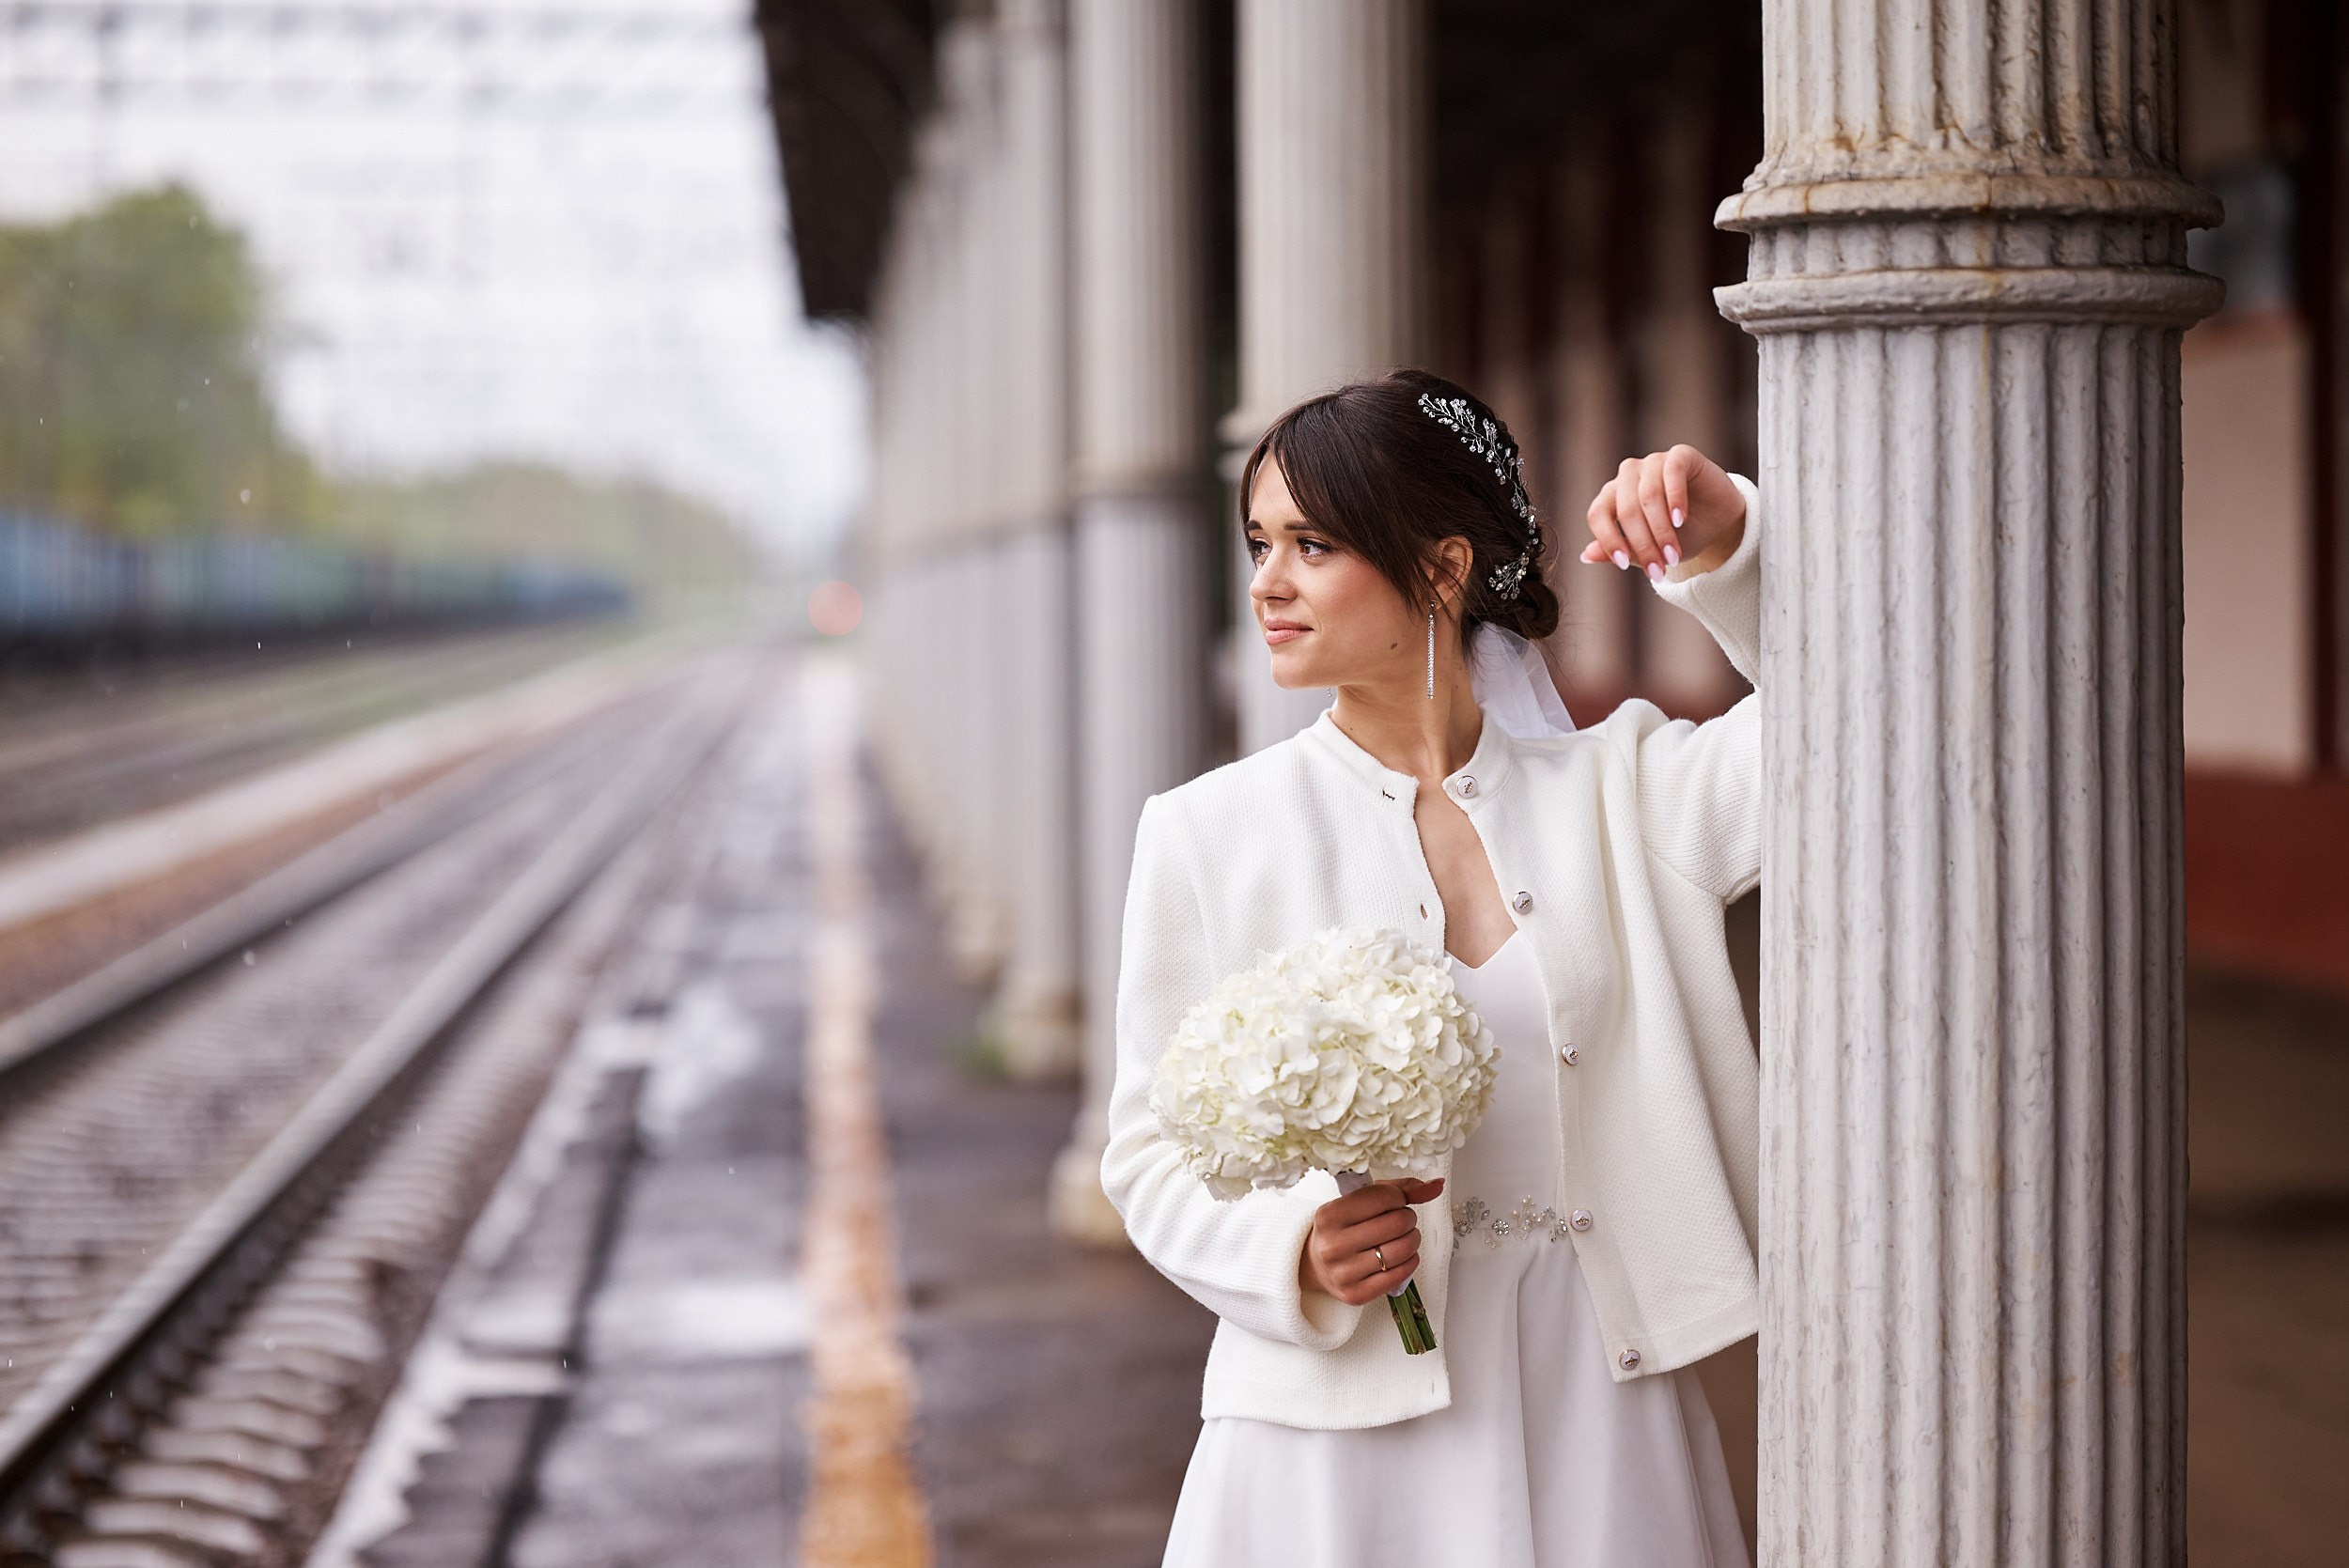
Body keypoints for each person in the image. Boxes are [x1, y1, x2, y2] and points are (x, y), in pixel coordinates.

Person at [1099, 369, 1761, 1566]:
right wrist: (1291, 1248)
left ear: (1444, 570)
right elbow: (1145, 1148)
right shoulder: (1205, 832)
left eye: (1312, 544)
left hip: (1594, 1383)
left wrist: (1731, 555)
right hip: (1331, 1426)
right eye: (1259, 542)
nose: (1266, 583)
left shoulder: (1627, 788)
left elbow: (1865, 724)